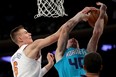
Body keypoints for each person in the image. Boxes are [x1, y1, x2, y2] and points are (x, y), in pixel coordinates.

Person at [10, 6, 95, 77]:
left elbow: (35, 75)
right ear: (20, 39)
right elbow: (59, 34)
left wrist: (49, 65)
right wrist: (79, 16)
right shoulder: (32, 46)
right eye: (26, 33)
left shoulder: (14, 58)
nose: (30, 34)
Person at [54, 2, 107, 77]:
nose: (73, 39)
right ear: (65, 44)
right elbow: (65, 29)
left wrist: (101, 14)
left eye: (76, 40)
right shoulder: (61, 54)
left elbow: (97, 33)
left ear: (78, 45)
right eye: (70, 39)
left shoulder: (87, 53)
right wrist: (80, 16)